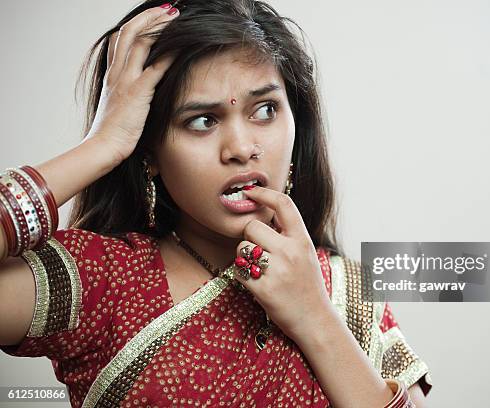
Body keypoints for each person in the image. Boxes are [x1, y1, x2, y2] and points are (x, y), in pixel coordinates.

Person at [0, 0, 433, 406]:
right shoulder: (101, 283)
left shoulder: (349, 292)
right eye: (202, 121)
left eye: (264, 110)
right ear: (148, 151)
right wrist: (103, 145)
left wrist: (315, 317)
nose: (242, 148)